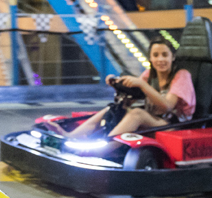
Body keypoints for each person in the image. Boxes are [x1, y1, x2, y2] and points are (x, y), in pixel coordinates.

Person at [60, 38, 195, 139]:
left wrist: (142, 84)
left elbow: (167, 106)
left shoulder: (181, 75)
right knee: (113, 108)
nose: (160, 59)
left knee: (137, 114)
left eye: (165, 55)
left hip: (173, 125)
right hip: (155, 120)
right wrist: (118, 86)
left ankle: (104, 146)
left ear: (173, 57)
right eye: (156, 55)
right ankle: (70, 136)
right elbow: (133, 97)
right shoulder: (149, 74)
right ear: (150, 58)